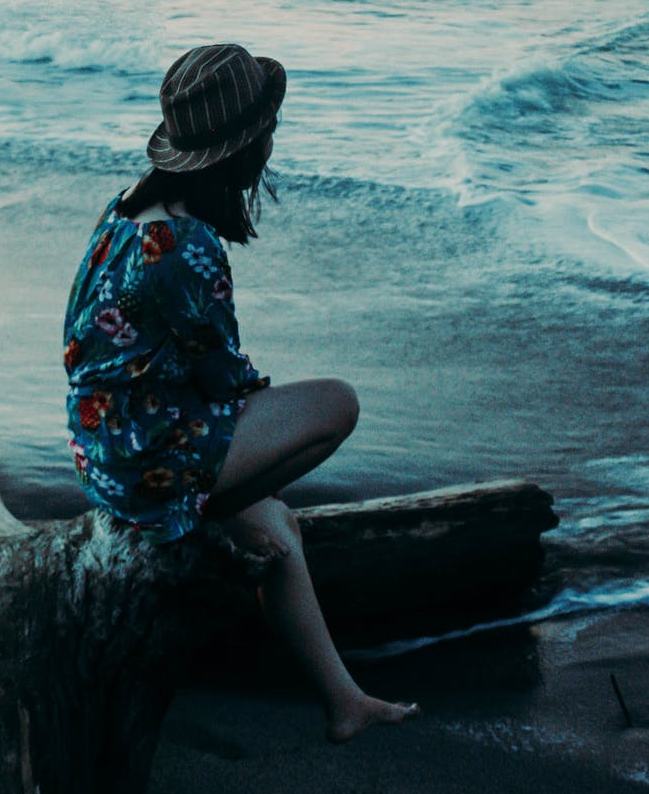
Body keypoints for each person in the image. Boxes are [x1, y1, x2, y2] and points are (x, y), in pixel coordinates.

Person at [63, 42, 419, 742]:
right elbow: (224, 378)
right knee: (334, 404)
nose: (271, 140)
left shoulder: (127, 212)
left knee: (276, 528)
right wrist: (256, 423)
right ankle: (195, 514)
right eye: (267, 129)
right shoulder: (185, 245)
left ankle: (344, 701)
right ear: (243, 148)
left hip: (104, 445)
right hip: (147, 464)